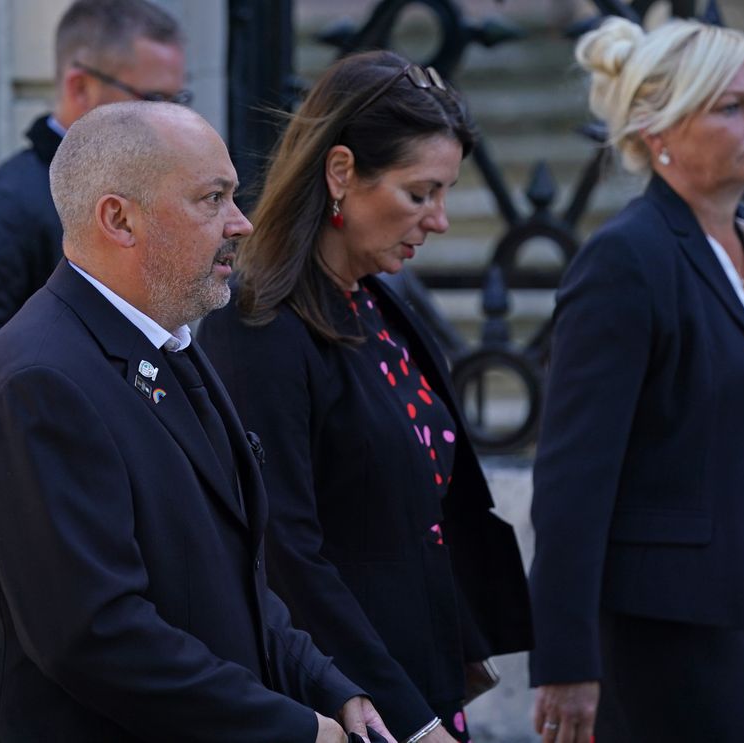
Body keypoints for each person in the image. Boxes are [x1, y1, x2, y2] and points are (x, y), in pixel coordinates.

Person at [0, 100, 394, 743]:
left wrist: (329, 687)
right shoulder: (39, 383)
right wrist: (296, 730)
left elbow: (228, 581)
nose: (240, 224)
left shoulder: (167, 344)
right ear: (118, 219)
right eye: (212, 199)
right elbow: (98, 637)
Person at [198, 49, 533, 743]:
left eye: (444, 194)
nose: (438, 220)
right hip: (343, 705)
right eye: (420, 193)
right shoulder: (259, 326)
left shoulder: (380, 303)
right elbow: (285, 554)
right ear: (342, 172)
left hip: (424, 681)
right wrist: (404, 720)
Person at [528, 17, 744, 742]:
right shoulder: (625, 262)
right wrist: (567, 659)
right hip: (662, 626)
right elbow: (573, 480)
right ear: (657, 130)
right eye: (732, 107)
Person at [0, 0, 189, 607]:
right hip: (52, 557)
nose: (170, 122)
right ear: (80, 86)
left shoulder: (120, 195)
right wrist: (60, 475)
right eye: (152, 101)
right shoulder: (8, 207)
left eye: (179, 102)